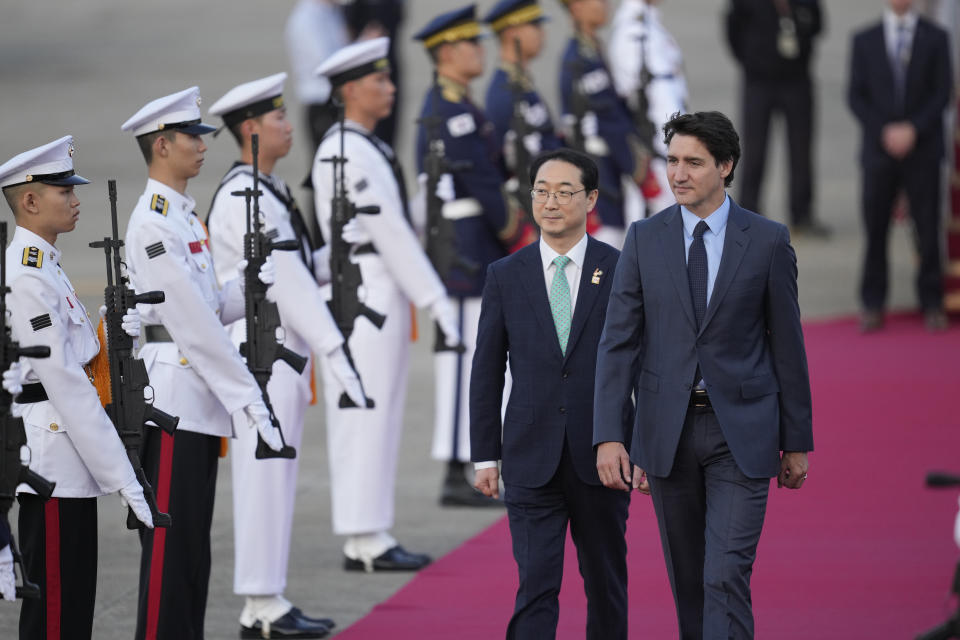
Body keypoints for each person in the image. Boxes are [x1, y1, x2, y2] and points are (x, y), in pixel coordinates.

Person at [594, 111, 814, 639]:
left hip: (742, 432)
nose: (678, 174)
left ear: (726, 166)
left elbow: (787, 345)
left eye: (693, 162)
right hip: (666, 434)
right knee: (689, 582)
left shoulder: (766, 240)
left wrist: (797, 440)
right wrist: (610, 435)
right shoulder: (645, 239)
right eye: (672, 161)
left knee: (724, 574)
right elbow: (618, 342)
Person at [120, 87, 285, 640]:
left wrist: (252, 282)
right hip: (173, 405)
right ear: (163, 145)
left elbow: (208, 303)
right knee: (171, 555)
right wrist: (251, 402)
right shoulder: (153, 224)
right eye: (192, 136)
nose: (203, 145)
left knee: (191, 553)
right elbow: (192, 324)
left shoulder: (183, 216)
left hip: (196, 403)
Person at [207, 73, 367, 637]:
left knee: (278, 476)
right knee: (263, 478)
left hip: (278, 354)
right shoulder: (246, 197)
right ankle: (259, 603)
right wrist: (335, 351)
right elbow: (286, 280)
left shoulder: (268, 190)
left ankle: (268, 597)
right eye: (276, 118)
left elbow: (301, 265)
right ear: (250, 130)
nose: (286, 125)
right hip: (260, 355)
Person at [313, 37, 462, 570]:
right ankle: (362, 538)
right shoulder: (344, 149)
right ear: (351, 89)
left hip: (380, 287)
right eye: (380, 80)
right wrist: (435, 299)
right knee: (364, 414)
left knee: (381, 413)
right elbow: (386, 232)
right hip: (363, 292)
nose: (391, 88)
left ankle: (371, 531)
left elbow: (397, 221)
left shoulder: (367, 145)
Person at [471, 148, 630, 639]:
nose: (551, 202)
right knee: (536, 585)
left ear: (591, 199)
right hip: (529, 457)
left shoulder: (620, 268)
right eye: (542, 191)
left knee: (605, 584)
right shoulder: (505, 275)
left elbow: (640, 364)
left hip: (600, 457)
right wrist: (484, 457)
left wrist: (632, 442)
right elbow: (487, 369)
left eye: (565, 192)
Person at [0, 136, 154, 639]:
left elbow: (83, 355)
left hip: (70, 457)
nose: (74, 198)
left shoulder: (46, 265)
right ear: (29, 201)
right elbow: (65, 382)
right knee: (57, 614)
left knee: (73, 607)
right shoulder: (26, 276)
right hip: (53, 463)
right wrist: (123, 476)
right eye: (62, 189)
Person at [414, 4, 535, 507]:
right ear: (446, 53)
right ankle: (457, 470)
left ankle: (466, 464)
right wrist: (518, 231)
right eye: (470, 43)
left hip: (471, 248)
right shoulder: (451, 111)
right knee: (465, 360)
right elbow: (485, 185)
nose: (480, 50)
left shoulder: (461, 106)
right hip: (465, 251)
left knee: (471, 358)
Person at [847, 0, 952, 333]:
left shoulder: (937, 37)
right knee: (876, 229)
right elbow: (856, 96)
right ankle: (873, 303)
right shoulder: (864, 39)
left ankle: (932, 301)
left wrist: (913, 129)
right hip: (878, 152)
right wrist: (886, 131)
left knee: (927, 228)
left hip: (922, 149)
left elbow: (943, 92)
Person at [726, 0, 829, 237]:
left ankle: (802, 214)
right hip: (758, 81)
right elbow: (732, 29)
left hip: (797, 80)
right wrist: (751, 59)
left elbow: (818, 25)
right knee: (754, 149)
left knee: (801, 150)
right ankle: (748, 212)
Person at [559, 0, 651, 248]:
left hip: (608, 174)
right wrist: (641, 169)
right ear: (576, 7)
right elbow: (611, 123)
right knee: (607, 254)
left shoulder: (591, 50)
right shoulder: (579, 59)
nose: (605, 4)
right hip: (601, 177)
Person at [607, 0, 686, 214]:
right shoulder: (634, 30)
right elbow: (639, 100)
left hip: (668, 149)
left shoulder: (648, 23)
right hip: (656, 150)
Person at [483, 0, 563, 182]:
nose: (542, 32)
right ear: (512, 32)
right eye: (534, 25)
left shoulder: (521, 83)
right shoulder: (505, 92)